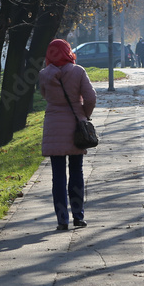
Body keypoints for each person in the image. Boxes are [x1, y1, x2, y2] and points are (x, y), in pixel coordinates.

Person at [38, 39, 96, 231]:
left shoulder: (44, 75)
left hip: (54, 125)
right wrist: (84, 114)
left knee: (58, 176)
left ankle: (62, 220)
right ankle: (78, 216)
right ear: (68, 51)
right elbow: (91, 97)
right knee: (76, 171)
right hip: (74, 126)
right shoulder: (78, 71)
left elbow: (45, 96)